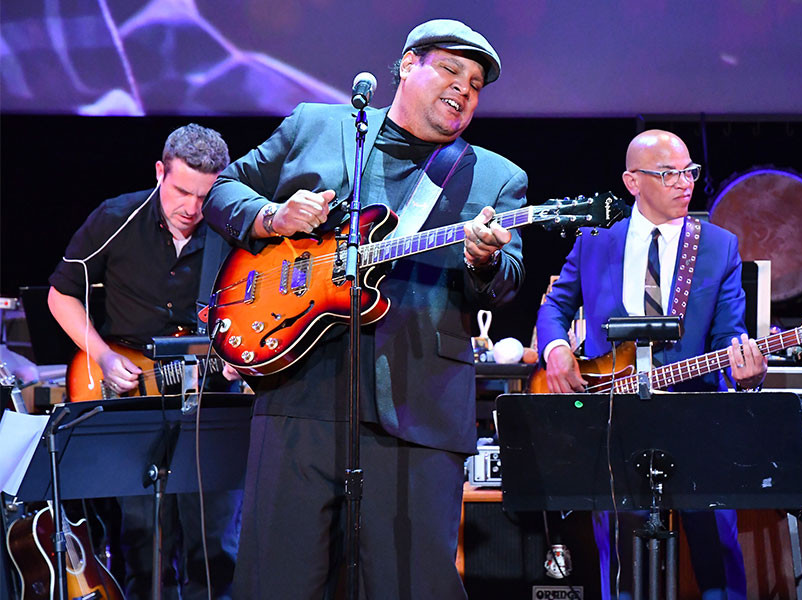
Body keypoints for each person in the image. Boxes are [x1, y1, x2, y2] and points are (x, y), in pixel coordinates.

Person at [201, 18, 526, 599]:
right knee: (277, 583)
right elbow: (224, 190)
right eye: (451, 69)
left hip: (418, 413)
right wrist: (272, 217)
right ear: (406, 65)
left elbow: (506, 281)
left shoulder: (497, 178)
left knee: (413, 587)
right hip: (298, 398)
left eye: (476, 84)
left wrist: (482, 261)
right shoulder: (317, 128)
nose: (464, 89)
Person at [536, 129, 766, 599]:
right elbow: (553, 308)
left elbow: (728, 336)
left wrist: (747, 372)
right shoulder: (596, 240)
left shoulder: (719, 246)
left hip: (694, 411)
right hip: (614, 417)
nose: (685, 183)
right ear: (632, 181)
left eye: (689, 172)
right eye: (668, 174)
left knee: (716, 546)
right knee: (617, 553)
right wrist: (556, 349)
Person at [48, 123, 241, 599]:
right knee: (141, 547)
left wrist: (241, 360)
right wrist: (105, 356)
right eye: (181, 191)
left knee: (214, 551)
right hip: (129, 401)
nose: (192, 209)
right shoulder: (115, 217)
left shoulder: (234, 229)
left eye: (205, 195)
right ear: (160, 172)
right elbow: (61, 295)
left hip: (210, 404)